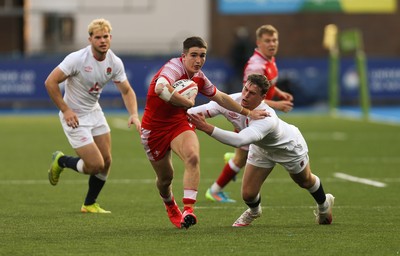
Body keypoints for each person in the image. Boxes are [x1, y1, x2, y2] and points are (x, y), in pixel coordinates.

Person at [140, 36, 267, 229]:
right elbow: (160, 88)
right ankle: (170, 204)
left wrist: (248, 112)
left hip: (178, 123)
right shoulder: (173, 68)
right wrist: (188, 102)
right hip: (153, 129)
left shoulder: (199, 76)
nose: (198, 60)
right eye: (194, 55)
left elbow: (221, 97)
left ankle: (188, 210)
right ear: (183, 56)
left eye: (202, 55)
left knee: (192, 157)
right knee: (165, 179)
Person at [188, 74, 335, 226]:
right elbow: (201, 111)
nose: (245, 95)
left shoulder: (267, 117)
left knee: (304, 181)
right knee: (248, 194)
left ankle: (324, 205)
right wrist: (175, 111)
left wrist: (206, 127)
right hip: (261, 148)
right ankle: (254, 212)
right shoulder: (233, 101)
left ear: (262, 97)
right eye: (245, 89)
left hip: (288, 148)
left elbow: (240, 140)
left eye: (252, 93)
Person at [45, 18, 141, 213]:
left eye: (105, 36)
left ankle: (89, 204)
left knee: (107, 161)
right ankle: (61, 161)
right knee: (95, 165)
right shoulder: (77, 59)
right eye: (98, 37)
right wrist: (66, 110)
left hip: (94, 112)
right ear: (90, 39)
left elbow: (127, 91)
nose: (102, 40)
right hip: (74, 117)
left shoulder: (114, 62)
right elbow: (50, 82)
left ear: (110, 38)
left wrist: (134, 114)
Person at [205, 24, 294, 203]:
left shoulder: (270, 59)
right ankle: (214, 191)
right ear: (258, 43)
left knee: (243, 156)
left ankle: (231, 162)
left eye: (274, 40)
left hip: (260, 117)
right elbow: (246, 96)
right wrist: (276, 103)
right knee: (241, 159)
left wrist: (277, 92)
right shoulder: (256, 65)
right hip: (248, 117)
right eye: (267, 41)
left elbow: (267, 86)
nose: (272, 44)